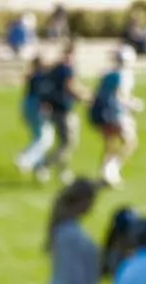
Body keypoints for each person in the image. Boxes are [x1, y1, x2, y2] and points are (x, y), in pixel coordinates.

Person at [34, 42, 89, 185]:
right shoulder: (66, 68)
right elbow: (70, 86)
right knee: (68, 143)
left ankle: (63, 172)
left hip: (54, 108)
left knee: (65, 142)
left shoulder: (56, 67)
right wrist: (85, 97)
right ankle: (45, 164)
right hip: (63, 110)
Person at [91, 45, 145, 188]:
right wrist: (134, 105)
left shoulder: (108, 74)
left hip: (101, 114)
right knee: (129, 142)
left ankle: (105, 174)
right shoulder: (124, 75)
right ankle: (112, 170)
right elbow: (120, 97)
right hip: (115, 114)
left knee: (109, 144)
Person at [14, 56, 54, 175]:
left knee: (38, 137)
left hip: (28, 105)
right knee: (45, 139)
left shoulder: (32, 77)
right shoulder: (41, 78)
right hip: (37, 106)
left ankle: (39, 168)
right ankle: (25, 159)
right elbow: (43, 94)